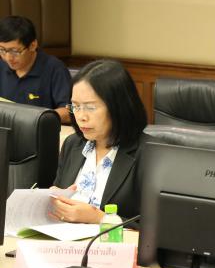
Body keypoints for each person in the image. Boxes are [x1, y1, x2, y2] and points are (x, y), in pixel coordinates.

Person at [50, 60, 151, 223]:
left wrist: (100, 218)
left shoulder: (149, 155)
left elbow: (159, 228)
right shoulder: (72, 144)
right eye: (75, 106)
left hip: (111, 240)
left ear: (118, 106)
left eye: (90, 107)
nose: (81, 116)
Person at [0, 15, 72, 123]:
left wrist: (35, 119)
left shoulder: (55, 68)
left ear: (33, 45)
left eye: (15, 51)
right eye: (2, 50)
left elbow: (69, 112)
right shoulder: (1, 66)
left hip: (40, 129)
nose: (8, 57)